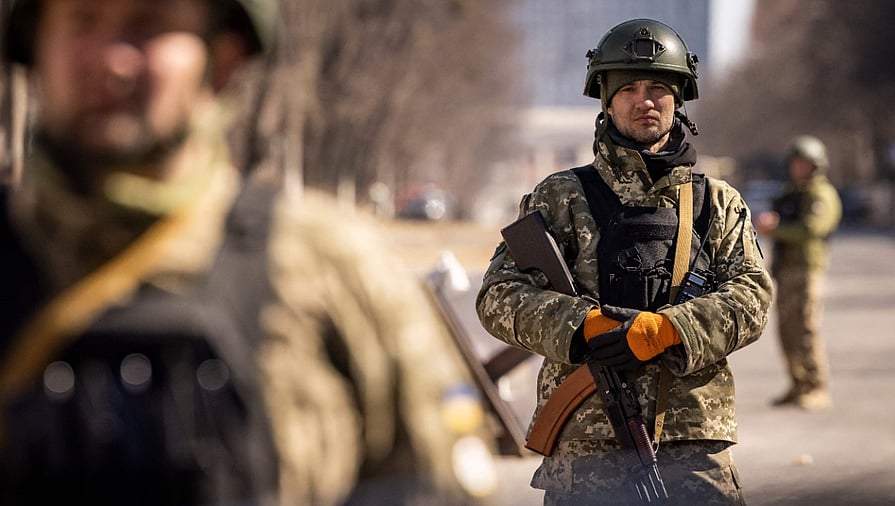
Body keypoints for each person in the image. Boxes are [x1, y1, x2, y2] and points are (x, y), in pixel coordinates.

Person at [0, 0, 493, 504]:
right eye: (82, 21)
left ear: (224, 59)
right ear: (35, 47)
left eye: (147, 26)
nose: (111, 59)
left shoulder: (330, 267)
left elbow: (441, 486)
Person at [476, 18, 773, 505]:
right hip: (585, 449)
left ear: (679, 99)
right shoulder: (560, 197)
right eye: (628, 88)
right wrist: (581, 325)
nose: (644, 100)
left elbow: (752, 297)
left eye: (658, 87)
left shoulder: (716, 202)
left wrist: (671, 330)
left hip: (692, 442)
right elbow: (499, 296)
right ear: (607, 100)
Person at [753, 135, 842, 411]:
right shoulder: (792, 192)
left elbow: (811, 229)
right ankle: (798, 383)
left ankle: (816, 387)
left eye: (804, 163)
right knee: (786, 330)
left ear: (816, 165)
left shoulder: (821, 194)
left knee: (805, 328)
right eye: (796, 163)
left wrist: (775, 228)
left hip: (806, 269)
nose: (798, 168)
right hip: (785, 269)